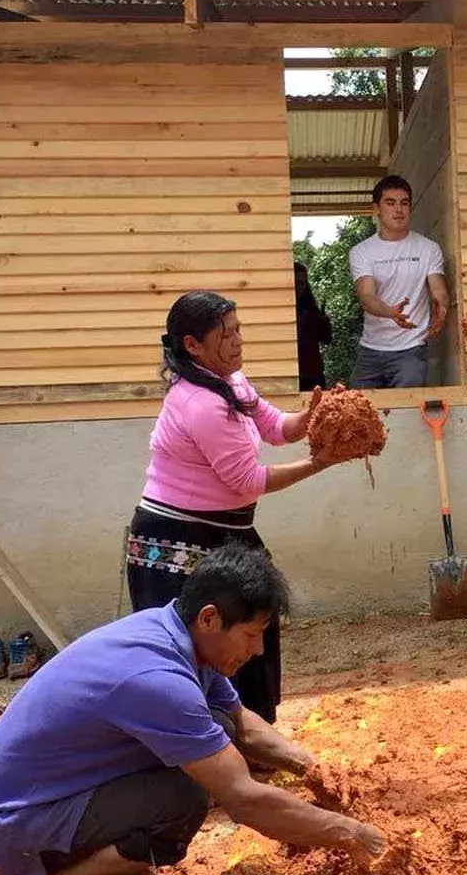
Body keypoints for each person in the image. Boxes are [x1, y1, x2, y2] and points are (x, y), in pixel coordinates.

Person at [0, 544, 386, 875]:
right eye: (251, 634)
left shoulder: (176, 637)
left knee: (217, 726)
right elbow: (243, 799)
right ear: (208, 618)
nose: (257, 650)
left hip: (54, 793)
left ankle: (120, 869)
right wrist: (352, 834)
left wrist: (313, 770)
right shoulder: (157, 679)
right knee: (186, 795)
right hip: (19, 825)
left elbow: (241, 723)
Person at [125, 290, 344, 725]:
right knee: (201, 647)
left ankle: (250, 737)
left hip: (226, 532)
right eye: (227, 334)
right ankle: (204, 748)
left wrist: (313, 416)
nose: (239, 341)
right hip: (177, 542)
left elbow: (276, 427)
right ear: (193, 345)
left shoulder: (231, 382)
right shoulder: (200, 402)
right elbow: (246, 481)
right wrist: (320, 463)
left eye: (239, 329)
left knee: (251, 628)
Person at [347, 174, 449, 389]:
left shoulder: (428, 248)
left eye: (404, 203)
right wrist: (390, 312)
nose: (399, 210)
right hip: (370, 350)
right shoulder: (362, 251)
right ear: (376, 209)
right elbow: (366, 295)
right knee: (355, 413)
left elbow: (438, 290)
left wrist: (442, 309)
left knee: (409, 412)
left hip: (411, 350)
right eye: (390, 203)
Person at [293, 261, 332, 392]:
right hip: (291, 369)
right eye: (295, 283)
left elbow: (327, 339)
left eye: (302, 283)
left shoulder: (310, 307)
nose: (299, 287)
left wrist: (323, 322)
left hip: (312, 372)